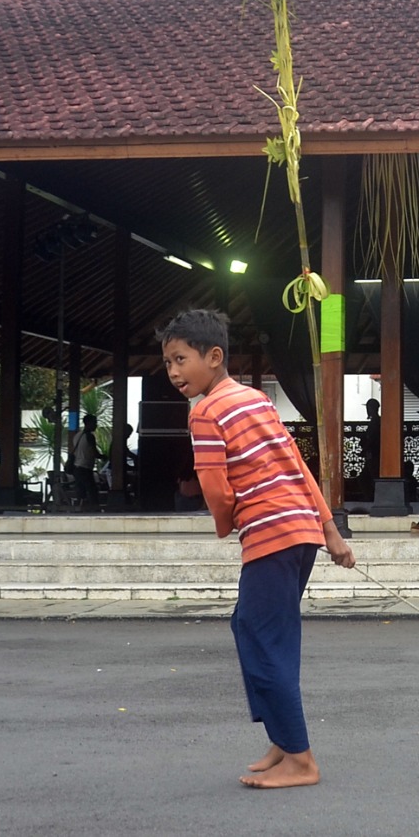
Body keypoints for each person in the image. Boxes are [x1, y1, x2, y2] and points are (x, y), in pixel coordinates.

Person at [156, 308, 356, 789]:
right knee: (252, 627)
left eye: (181, 359)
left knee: (265, 640)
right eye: (168, 363)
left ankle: (301, 761)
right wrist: (329, 530)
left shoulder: (204, 412)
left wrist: (226, 523)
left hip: (271, 535)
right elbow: (298, 465)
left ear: (214, 356)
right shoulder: (255, 401)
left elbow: (215, 487)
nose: (174, 372)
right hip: (301, 532)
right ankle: (283, 740)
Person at [70, 413, 100, 510]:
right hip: (85, 467)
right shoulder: (90, 436)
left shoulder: (77, 436)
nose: (96, 425)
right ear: (89, 423)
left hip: (76, 467)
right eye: (95, 423)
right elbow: (94, 452)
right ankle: (94, 510)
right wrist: (104, 456)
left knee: (81, 490)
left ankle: (80, 508)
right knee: (92, 490)